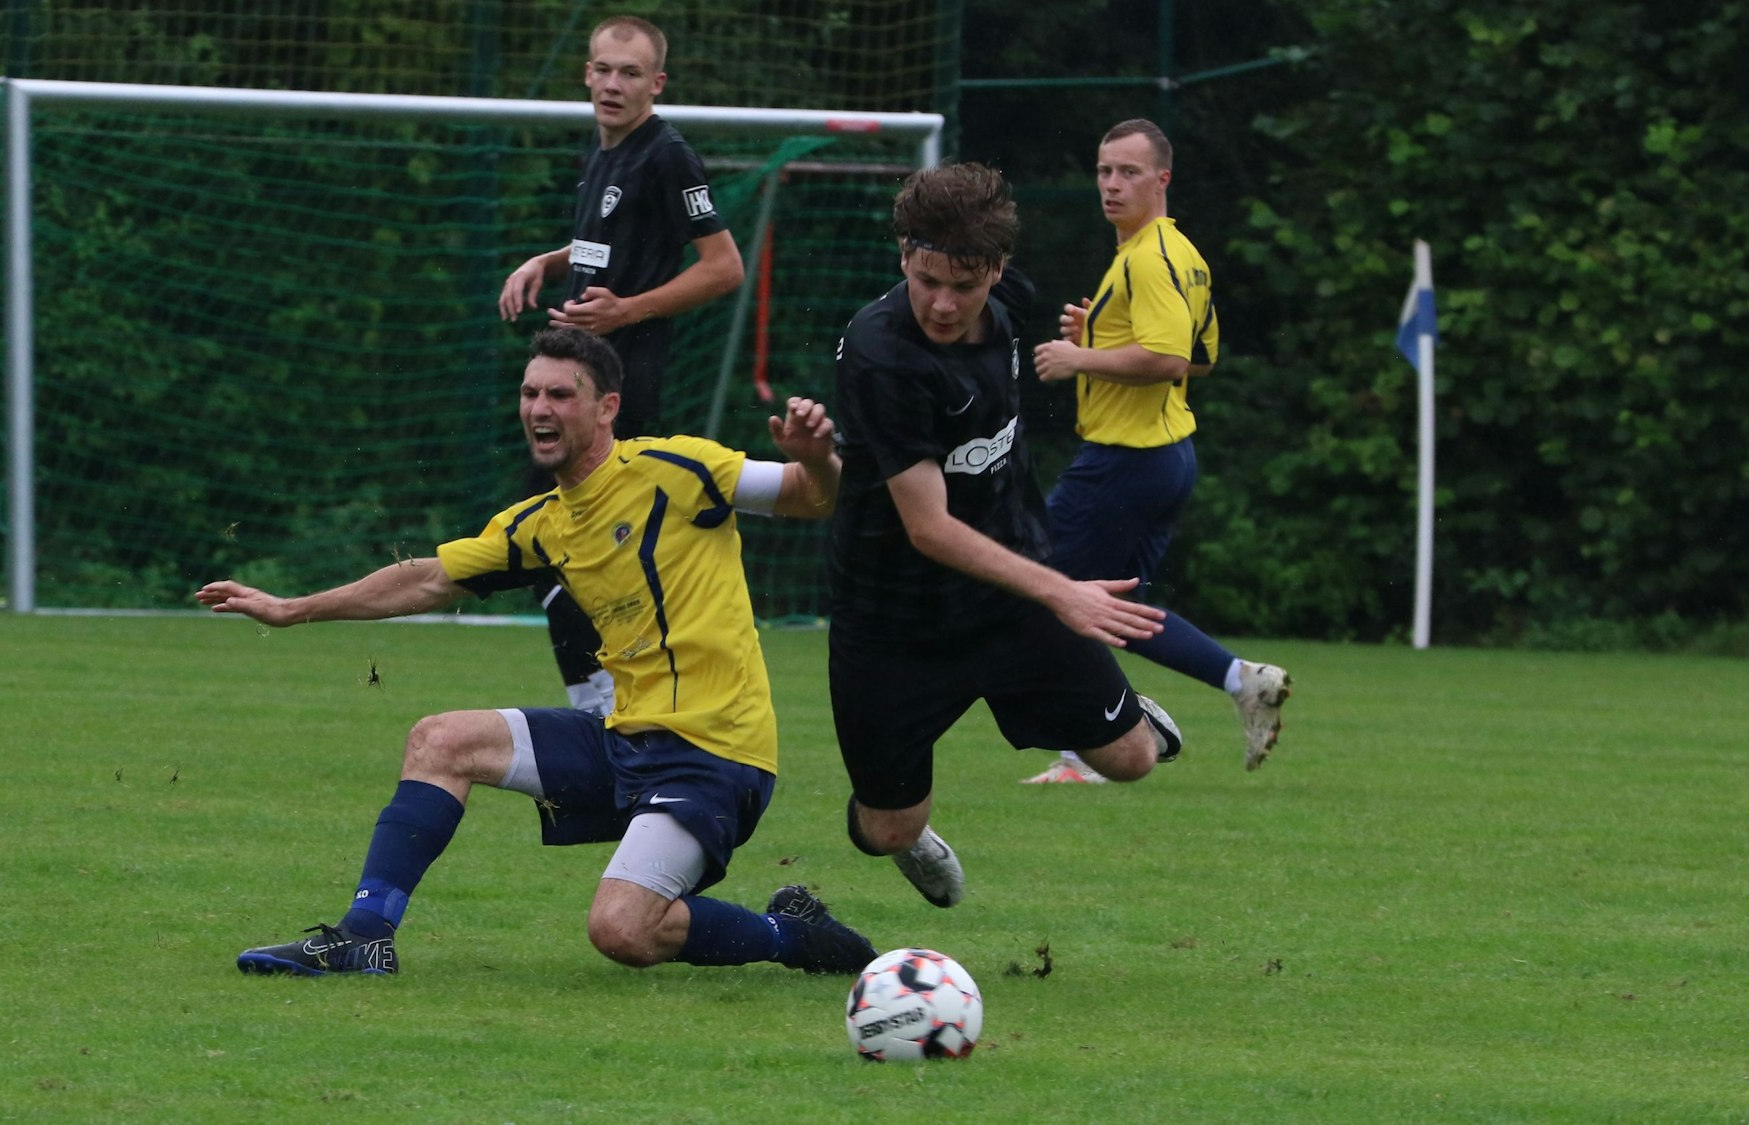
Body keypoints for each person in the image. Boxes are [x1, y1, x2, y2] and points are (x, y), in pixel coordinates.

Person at [197, 328, 874, 977]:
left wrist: (814, 454)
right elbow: (428, 577)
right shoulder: (540, 522)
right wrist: (293, 608)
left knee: (622, 929)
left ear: (607, 407)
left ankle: (796, 933)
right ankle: (364, 937)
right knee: (440, 739)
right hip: (625, 740)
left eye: (559, 394)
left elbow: (816, 495)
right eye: (530, 394)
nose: (538, 409)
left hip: (715, 753)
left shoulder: (678, 468)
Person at [826, 163, 1182, 910]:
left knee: (1132, 759)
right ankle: (911, 837)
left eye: (964, 284)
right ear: (903, 257)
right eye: (926, 280)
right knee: (888, 826)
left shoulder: (1014, 303)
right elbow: (927, 527)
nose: (943, 303)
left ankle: (1121, 706)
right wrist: (1065, 593)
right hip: (894, 618)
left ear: (998, 268)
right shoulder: (881, 353)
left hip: (1008, 593)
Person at [1026, 118, 1290, 783]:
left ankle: (1090, 747)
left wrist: (1077, 354)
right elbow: (1198, 361)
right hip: (1163, 456)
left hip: (1124, 462)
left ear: (1162, 179)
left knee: (1045, 592)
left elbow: (1172, 357)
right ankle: (1241, 679)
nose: (1112, 185)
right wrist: (1097, 337)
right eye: (1104, 171)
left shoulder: (1148, 256)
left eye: (1129, 172)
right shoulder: (1175, 251)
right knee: (1119, 605)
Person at [498, 16, 746, 721]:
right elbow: (602, 248)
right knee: (562, 542)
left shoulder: (668, 156)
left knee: (551, 541)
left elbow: (725, 268)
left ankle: (607, 703)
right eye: (604, 69)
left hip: (617, 385)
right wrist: (543, 262)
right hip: (579, 378)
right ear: (586, 73)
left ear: (656, 84)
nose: (613, 83)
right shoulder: (605, 149)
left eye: (630, 73)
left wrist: (628, 311)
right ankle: (613, 699)